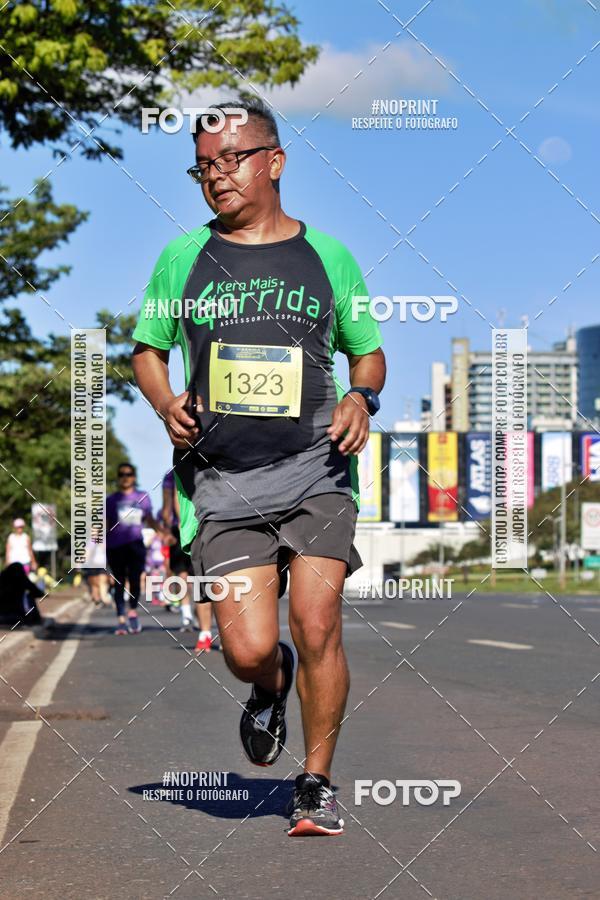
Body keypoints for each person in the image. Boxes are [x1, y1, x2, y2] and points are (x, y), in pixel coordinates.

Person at [131, 98, 385, 836]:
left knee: (318, 621)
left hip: (317, 470)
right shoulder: (182, 259)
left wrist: (362, 396)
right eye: (203, 166)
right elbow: (147, 348)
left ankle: (316, 784)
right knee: (245, 650)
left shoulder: (327, 257)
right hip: (223, 482)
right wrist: (161, 403)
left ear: (274, 161)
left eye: (232, 159)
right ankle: (270, 684)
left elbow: (365, 350)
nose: (217, 176)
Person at [161, 469, 215, 652]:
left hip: (217, 525)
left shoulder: (213, 461)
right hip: (190, 530)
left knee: (219, 581)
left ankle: (224, 631)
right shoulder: (174, 475)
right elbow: (171, 504)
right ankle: (205, 632)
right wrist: (175, 526)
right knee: (198, 579)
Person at [106, 463, 161, 635]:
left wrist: (163, 532)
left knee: (135, 579)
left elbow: (149, 519)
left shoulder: (142, 497)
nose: (125, 477)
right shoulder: (111, 500)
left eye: (128, 474)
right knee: (119, 581)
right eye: (122, 474)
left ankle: (132, 612)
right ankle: (121, 619)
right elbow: (104, 524)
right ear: (118, 477)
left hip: (136, 544)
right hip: (115, 546)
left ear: (134, 477)